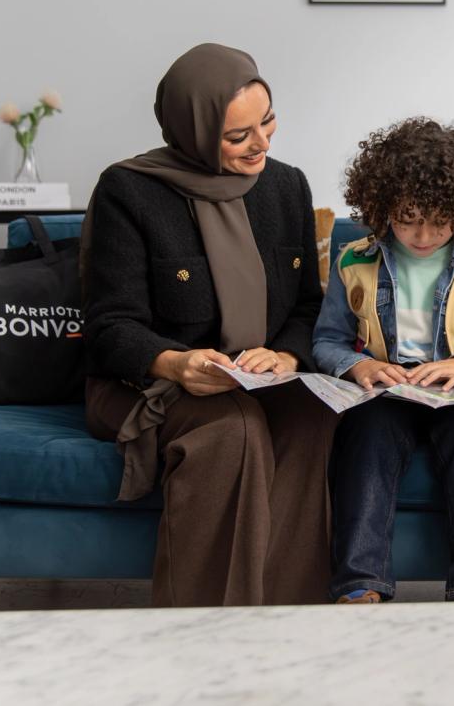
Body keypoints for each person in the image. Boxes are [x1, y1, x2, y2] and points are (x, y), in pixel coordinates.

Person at [82, 43, 334, 607]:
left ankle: (290, 621)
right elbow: (109, 326)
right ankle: (206, 637)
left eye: (267, 121)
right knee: (232, 427)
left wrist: (288, 358)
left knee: (310, 415)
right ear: (192, 132)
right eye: (238, 135)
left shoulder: (285, 186)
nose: (262, 143)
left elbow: (306, 307)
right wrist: (176, 363)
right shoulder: (129, 191)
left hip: (257, 379)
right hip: (152, 382)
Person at [313, 118, 454, 603]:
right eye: (408, 217)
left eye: (439, 221)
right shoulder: (353, 262)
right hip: (385, 395)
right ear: (382, 208)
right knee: (365, 438)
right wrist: (358, 367)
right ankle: (360, 583)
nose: (423, 234)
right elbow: (327, 341)